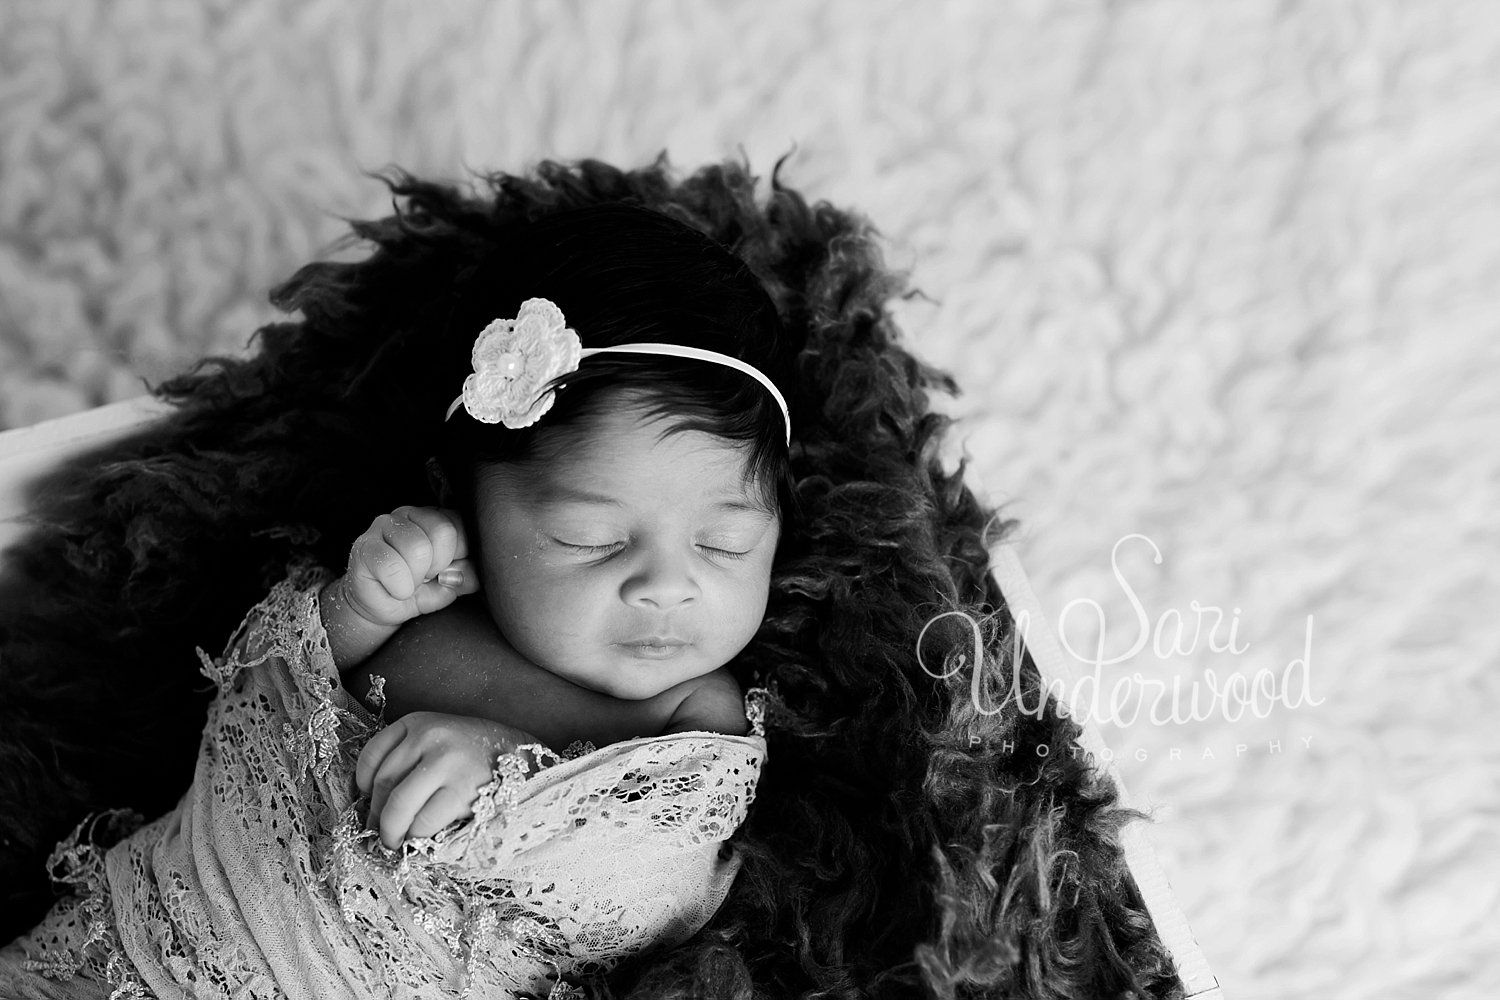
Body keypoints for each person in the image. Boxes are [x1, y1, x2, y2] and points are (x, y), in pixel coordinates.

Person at [0, 159, 1186, 1000]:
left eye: (725, 544)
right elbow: (254, 689)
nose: (666, 586)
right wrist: (352, 610)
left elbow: (648, 890)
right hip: (121, 942)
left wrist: (496, 776)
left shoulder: (689, 711)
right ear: (470, 499)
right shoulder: (430, 600)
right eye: (588, 540)